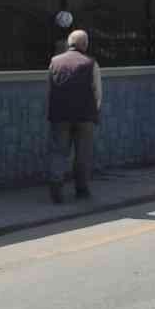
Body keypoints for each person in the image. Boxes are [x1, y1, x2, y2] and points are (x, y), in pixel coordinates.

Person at [45, 28, 102, 203]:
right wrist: (95, 111)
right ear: (84, 44)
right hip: (85, 116)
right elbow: (97, 92)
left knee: (58, 151)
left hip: (60, 115)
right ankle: (81, 189)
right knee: (82, 153)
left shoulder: (54, 62)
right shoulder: (91, 63)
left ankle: (56, 186)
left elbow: (50, 90)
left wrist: (51, 110)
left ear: (70, 44)